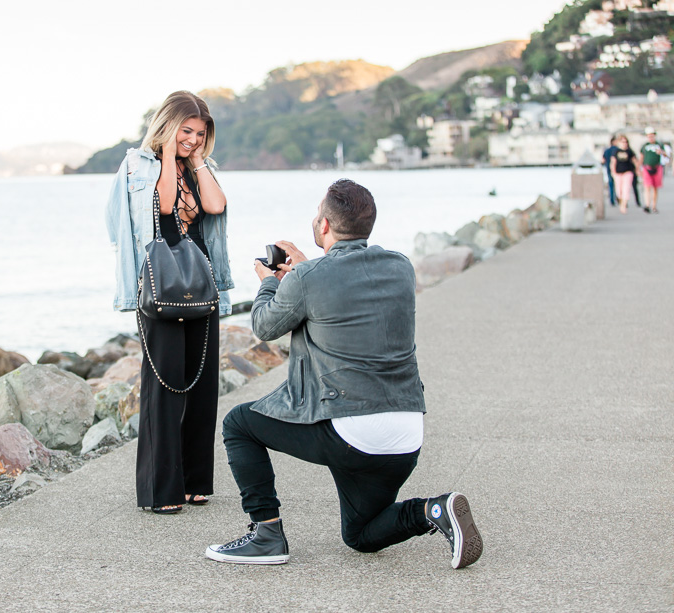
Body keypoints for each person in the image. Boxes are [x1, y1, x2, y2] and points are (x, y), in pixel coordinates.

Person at [204, 179, 483, 569]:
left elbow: (265, 326)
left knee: (238, 423)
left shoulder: (307, 279)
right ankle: (433, 511)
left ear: (323, 226)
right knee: (361, 535)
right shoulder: (400, 267)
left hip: (350, 432)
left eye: (318, 214)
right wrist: (307, 268)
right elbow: (345, 284)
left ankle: (266, 535)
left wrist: (270, 282)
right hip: (404, 435)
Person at [105, 91, 234, 514]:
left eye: (200, 133)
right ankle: (161, 490)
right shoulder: (136, 166)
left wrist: (196, 162)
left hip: (200, 278)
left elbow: (216, 205)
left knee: (200, 381)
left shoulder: (202, 167)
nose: (193, 139)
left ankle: (195, 481)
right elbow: (158, 209)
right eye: (186, 130)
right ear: (167, 124)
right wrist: (165, 156)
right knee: (163, 384)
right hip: (159, 280)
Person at [610, 135, 640, 214]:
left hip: (628, 172)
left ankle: (624, 205)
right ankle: (621, 202)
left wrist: (638, 170)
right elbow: (613, 162)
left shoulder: (629, 151)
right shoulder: (616, 151)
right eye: (623, 142)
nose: (624, 144)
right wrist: (613, 172)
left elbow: (635, 161)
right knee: (619, 191)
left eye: (626, 142)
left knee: (626, 189)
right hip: (618, 172)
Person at [639, 127, 664, 214]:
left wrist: (661, 152)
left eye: (652, 136)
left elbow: (666, 155)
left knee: (655, 188)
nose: (651, 138)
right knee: (647, 187)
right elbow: (641, 157)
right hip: (647, 167)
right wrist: (638, 168)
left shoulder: (659, 144)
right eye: (649, 136)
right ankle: (647, 205)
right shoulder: (644, 146)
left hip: (657, 167)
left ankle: (654, 206)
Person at [602, 136, 619, 207]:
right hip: (618, 170)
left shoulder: (606, 150)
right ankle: (619, 199)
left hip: (608, 169)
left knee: (611, 185)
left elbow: (603, 160)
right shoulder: (618, 150)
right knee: (618, 186)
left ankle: (612, 200)